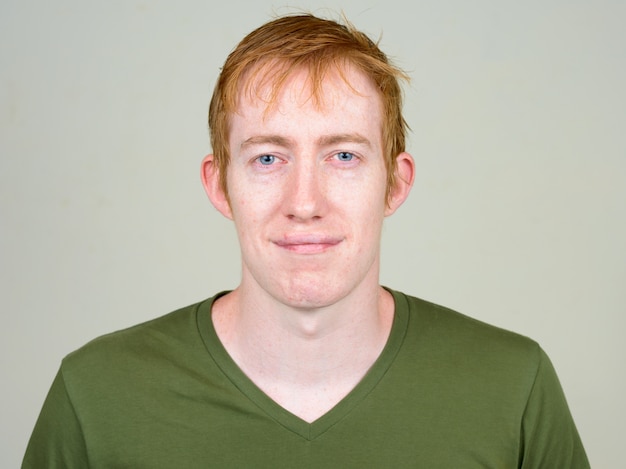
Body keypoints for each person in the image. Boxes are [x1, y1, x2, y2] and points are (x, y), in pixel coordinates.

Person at [23, 13, 589, 468]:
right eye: (268, 157)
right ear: (220, 185)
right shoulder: (96, 395)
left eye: (343, 155)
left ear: (395, 184)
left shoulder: (513, 387)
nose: (305, 202)